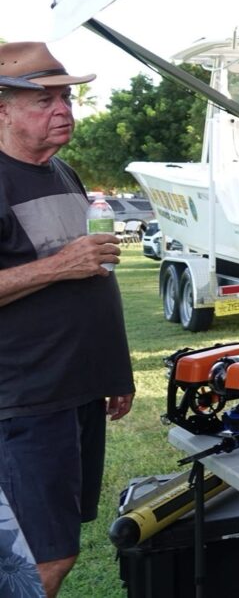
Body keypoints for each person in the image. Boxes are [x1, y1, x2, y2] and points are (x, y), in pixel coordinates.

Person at [0, 42, 135, 598]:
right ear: (2, 110)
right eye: (44, 100)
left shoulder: (63, 173)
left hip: (78, 392)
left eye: (67, 98)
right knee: (42, 559)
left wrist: (115, 371)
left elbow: (93, 278)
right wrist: (57, 266)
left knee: (57, 543)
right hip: (25, 400)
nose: (64, 111)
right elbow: (68, 266)